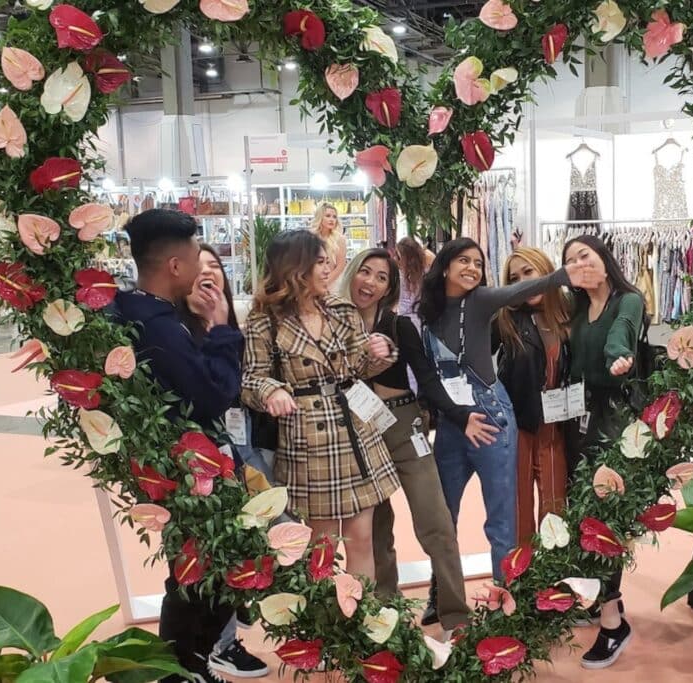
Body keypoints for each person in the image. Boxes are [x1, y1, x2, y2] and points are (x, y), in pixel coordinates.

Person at [418, 237, 603, 622]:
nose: (472, 268)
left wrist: (560, 276)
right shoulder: (429, 312)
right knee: (443, 517)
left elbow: (522, 289)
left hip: (493, 418)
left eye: (478, 262)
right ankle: (442, 595)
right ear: (446, 266)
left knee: (502, 520)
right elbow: (429, 376)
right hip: (454, 423)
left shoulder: (483, 299)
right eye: (464, 260)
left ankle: (507, 604)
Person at [114, 210, 243, 683]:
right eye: (194, 257)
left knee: (197, 571)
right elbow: (214, 395)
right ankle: (181, 669)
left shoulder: (125, 310)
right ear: (174, 265)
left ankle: (188, 665)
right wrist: (223, 330)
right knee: (201, 576)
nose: (202, 267)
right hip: (190, 469)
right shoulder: (162, 327)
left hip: (169, 465)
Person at [340, 249, 495, 637]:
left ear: (390, 288)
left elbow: (427, 379)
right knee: (374, 528)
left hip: (402, 424)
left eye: (381, 278)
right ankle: (382, 612)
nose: (370, 282)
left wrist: (458, 414)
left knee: (435, 521)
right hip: (355, 431)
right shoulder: (332, 326)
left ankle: (455, 616)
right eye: (365, 272)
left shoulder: (398, 326)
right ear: (352, 274)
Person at [240, 230, 399, 580]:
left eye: (329, 262)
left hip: (356, 430)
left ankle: (362, 624)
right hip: (309, 438)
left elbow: (358, 368)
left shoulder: (342, 310)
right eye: (320, 262)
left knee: (361, 538)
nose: (329, 270)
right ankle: (328, 630)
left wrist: (379, 352)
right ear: (297, 269)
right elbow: (251, 378)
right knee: (322, 544)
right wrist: (271, 391)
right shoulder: (264, 319)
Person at [178, 244, 268, 680]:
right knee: (204, 561)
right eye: (200, 267)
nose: (209, 275)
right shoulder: (181, 329)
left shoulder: (229, 320)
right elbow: (211, 393)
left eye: (215, 267)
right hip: (199, 458)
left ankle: (221, 642)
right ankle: (214, 649)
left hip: (241, 444)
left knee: (239, 548)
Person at [562, 234, 646, 669]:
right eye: (571, 260)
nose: (580, 264)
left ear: (603, 258)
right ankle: (601, 599)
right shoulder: (576, 307)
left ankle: (613, 623)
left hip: (613, 419)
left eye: (585, 255)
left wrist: (619, 357)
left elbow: (622, 335)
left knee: (604, 513)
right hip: (579, 418)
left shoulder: (626, 299)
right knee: (583, 511)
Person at [493, 247, 571, 544]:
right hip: (518, 427)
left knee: (555, 512)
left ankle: (550, 583)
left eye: (529, 273)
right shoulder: (506, 318)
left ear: (545, 270)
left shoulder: (568, 311)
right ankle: (520, 582)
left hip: (555, 429)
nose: (524, 282)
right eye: (515, 278)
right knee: (519, 511)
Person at [395, 235, 434, 330]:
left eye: (398, 255)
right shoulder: (427, 273)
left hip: (406, 323)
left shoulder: (399, 276)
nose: (395, 258)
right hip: (424, 322)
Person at [310, 201, 347, 286]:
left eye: (334, 217)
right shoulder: (311, 238)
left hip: (333, 282)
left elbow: (340, 266)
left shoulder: (339, 239)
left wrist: (326, 282)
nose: (332, 220)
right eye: (328, 216)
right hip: (313, 281)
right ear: (320, 217)